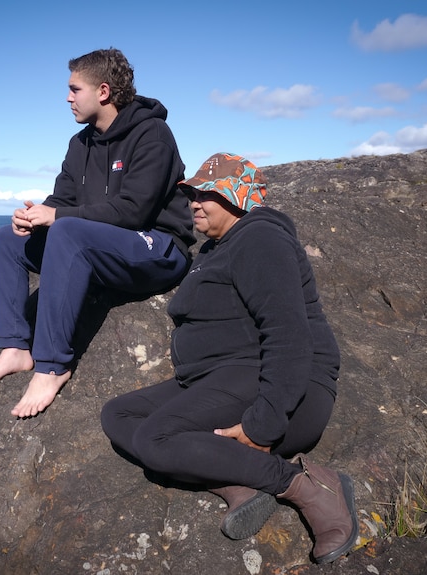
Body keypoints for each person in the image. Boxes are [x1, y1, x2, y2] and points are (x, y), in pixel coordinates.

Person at [100, 153, 357, 564]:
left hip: (281, 385)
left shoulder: (261, 239)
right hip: (222, 378)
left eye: (208, 194)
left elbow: (288, 336)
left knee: (156, 439)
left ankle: (305, 484)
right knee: (119, 415)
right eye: (192, 194)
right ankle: (237, 478)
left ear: (238, 198)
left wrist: (263, 425)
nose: (195, 203)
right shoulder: (217, 249)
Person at [0, 48, 195, 418]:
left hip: (156, 248)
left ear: (103, 91)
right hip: (100, 249)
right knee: (7, 240)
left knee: (68, 230)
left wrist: (57, 215)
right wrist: (32, 217)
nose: (68, 97)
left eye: (75, 89)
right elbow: (62, 198)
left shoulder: (153, 133)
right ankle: (14, 349)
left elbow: (134, 210)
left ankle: (52, 366)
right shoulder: (81, 143)